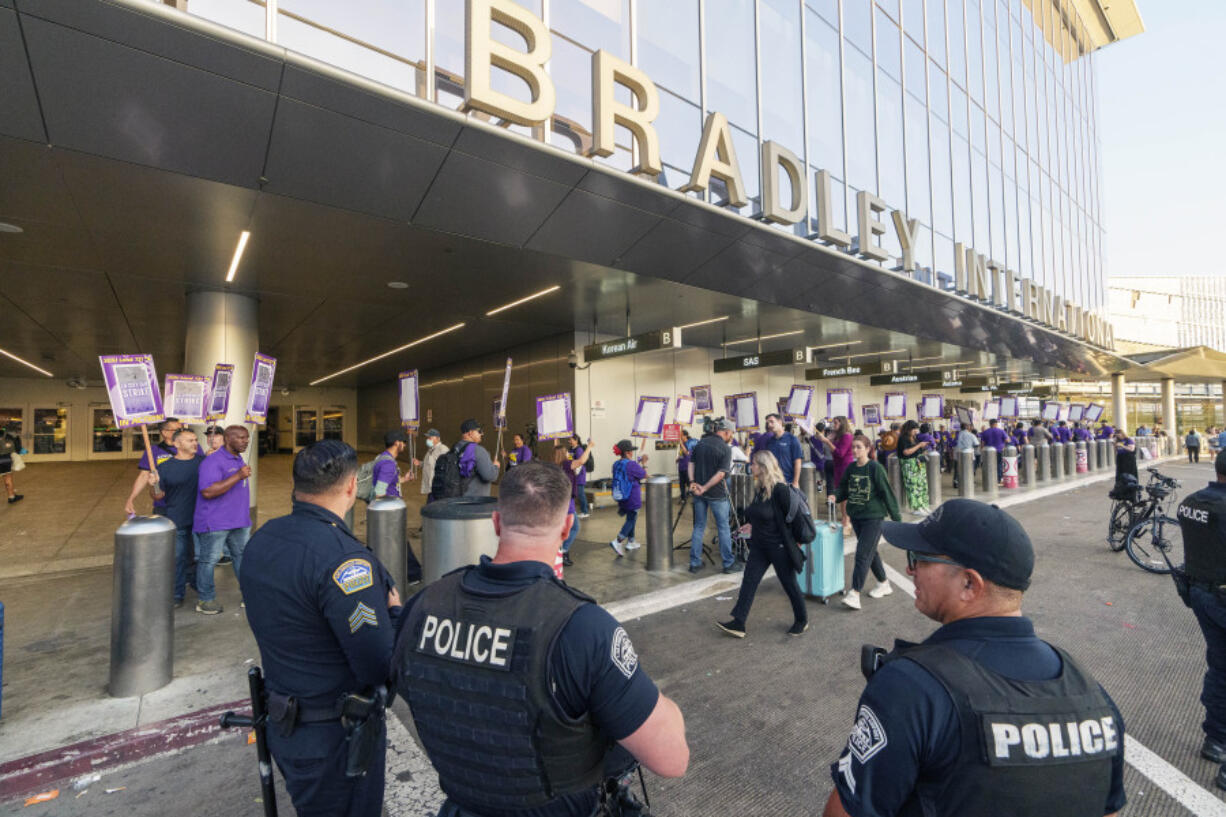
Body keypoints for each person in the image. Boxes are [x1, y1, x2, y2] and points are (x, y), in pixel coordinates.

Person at [392, 462, 689, 816]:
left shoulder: (423, 606)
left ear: (497, 522)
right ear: (566, 527)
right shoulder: (581, 628)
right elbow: (672, 758)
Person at [824, 499, 1126, 817]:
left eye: (919, 559)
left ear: (969, 583)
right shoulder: (1093, 696)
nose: (910, 569)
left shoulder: (910, 690)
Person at [241, 440, 402, 817]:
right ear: (351, 487)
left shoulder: (262, 539)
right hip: (334, 738)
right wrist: (395, 615)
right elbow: (379, 663)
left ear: (295, 486)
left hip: (285, 725)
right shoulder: (345, 561)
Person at [1174, 450, 1226, 785]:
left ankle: (1217, 738)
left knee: (1221, 666)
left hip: (1200, 593)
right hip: (1218, 594)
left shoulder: (1192, 502)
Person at [717, 450, 809, 637]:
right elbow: (764, 514)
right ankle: (739, 623)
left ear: (763, 467)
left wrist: (796, 543)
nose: (751, 467)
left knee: (789, 584)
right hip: (759, 545)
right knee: (749, 582)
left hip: (779, 547)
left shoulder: (781, 490)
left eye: (753, 464)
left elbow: (796, 519)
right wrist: (751, 524)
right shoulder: (761, 489)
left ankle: (802, 619)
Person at [835, 435, 901, 610]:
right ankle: (883, 583)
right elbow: (843, 487)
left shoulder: (875, 468)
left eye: (859, 447)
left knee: (862, 553)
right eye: (853, 447)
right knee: (870, 551)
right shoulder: (850, 468)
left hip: (874, 517)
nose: (855, 450)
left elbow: (887, 493)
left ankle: (854, 593)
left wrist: (897, 519)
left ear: (868, 449)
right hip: (857, 516)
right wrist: (836, 495)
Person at [193, 425, 252, 615]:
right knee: (208, 561)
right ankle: (206, 600)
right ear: (227, 439)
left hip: (239, 520)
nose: (246, 441)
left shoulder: (238, 458)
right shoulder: (213, 461)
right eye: (241, 438)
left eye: (247, 437)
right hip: (216, 521)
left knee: (242, 558)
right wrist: (238, 475)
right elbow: (208, 491)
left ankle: (249, 595)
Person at [147, 428, 205, 608]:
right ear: (177, 444)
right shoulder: (164, 468)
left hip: (201, 519)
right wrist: (153, 485)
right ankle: (176, 594)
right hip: (177, 519)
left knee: (201, 557)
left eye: (195, 440)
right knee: (178, 558)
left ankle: (201, 587)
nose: (195, 443)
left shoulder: (204, 463)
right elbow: (158, 496)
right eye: (190, 440)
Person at [688, 418, 737, 574]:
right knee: (723, 527)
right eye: (732, 434)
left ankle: (694, 563)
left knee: (699, 526)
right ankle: (728, 564)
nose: (732, 437)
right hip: (716, 494)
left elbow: (691, 464)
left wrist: (693, 483)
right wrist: (705, 487)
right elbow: (721, 473)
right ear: (727, 432)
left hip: (698, 494)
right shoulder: (725, 448)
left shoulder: (700, 444)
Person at [123, 417, 181, 516]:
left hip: (188, 503)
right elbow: (143, 476)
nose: (181, 432)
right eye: (177, 430)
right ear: (165, 432)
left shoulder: (192, 447)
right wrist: (131, 498)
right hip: (163, 504)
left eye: (182, 429)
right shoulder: (153, 451)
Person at [609, 439, 648, 556]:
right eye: (631, 451)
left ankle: (631, 541)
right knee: (631, 519)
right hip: (632, 496)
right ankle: (618, 541)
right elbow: (643, 475)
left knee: (631, 518)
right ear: (626, 452)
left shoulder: (616, 464)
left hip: (622, 496)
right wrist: (644, 463)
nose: (632, 453)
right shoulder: (631, 464)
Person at [816, 417, 855, 531]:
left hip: (845, 467)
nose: (833, 425)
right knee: (842, 496)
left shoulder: (847, 436)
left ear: (842, 424)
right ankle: (844, 519)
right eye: (833, 423)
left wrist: (828, 441)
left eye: (836, 423)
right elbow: (828, 450)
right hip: (837, 467)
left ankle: (846, 521)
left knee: (845, 496)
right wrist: (828, 439)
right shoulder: (838, 436)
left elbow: (840, 453)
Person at [551, 445, 581, 567]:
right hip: (566, 502)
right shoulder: (567, 464)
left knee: (561, 528)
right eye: (566, 451)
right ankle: (563, 552)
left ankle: (558, 552)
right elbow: (582, 461)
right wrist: (589, 447)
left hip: (558, 501)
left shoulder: (555, 466)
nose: (568, 452)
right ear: (563, 453)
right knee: (574, 527)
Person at [457, 419, 501, 497]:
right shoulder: (478, 450)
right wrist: (496, 466)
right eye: (479, 431)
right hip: (475, 502)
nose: (482, 434)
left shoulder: (455, 448)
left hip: (456, 498)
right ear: (470, 433)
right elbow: (490, 476)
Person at [760, 413, 804, 487]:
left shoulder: (792, 439)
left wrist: (795, 482)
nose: (769, 425)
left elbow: (797, 462)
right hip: (773, 483)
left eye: (771, 422)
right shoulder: (769, 442)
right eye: (768, 423)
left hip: (788, 482)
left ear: (780, 422)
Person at [896, 421, 930, 515]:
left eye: (916, 429)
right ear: (908, 429)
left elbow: (915, 449)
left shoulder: (914, 438)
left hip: (917, 463)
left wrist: (923, 447)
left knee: (921, 485)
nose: (916, 431)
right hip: (909, 465)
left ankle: (923, 505)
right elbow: (906, 452)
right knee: (912, 486)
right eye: (914, 429)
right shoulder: (903, 438)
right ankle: (916, 508)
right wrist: (919, 445)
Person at [372, 430, 412, 500]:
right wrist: (391, 506)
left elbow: (388, 480)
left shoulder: (381, 456)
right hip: (388, 508)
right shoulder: (388, 464)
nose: (405, 445)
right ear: (396, 443)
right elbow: (379, 493)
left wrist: (404, 479)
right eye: (403, 442)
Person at [413, 428, 447, 503]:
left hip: (438, 487)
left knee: (434, 508)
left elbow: (447, 467)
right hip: (431, 486)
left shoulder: (443, 449)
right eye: (428, 438)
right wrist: (420, 463)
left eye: (430, 437)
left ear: (438, 438)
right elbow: (430, 463)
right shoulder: (431, 449)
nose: (428, 440)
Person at [567, 434, 593, 518]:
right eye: (569, 440)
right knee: (576, 494)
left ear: (576, 440)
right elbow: (570, 460)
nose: (569, 441)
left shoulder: (579, 450)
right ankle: (579, 510)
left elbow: (580, 462)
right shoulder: (571, 449)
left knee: (581, 494)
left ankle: (585, 511)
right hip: (573, 475)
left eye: (571, 440)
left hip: (579, 475)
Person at [979, 418, 1009, 483]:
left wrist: (982, 451)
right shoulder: (1001, 431)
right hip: (999, 450)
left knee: (989, 464)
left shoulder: (985, 432)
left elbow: (982, 444)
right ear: (996, 424)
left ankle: (989, 478)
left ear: (990, 424)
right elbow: (1007, 440)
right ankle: (998, 478)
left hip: (988, 452)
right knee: (999, 464)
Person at [952, 423, 980, 490]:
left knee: (957, 469)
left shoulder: (957, 435)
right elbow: (977, 444)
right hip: (969, 454)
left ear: (961, 428)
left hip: (958, 454)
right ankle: (969, 482)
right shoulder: (971, 435)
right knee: (970, 469)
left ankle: (956, 482)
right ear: (967, 427)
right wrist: (970, 446)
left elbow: (952, 444)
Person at [0, 425, 23, 504]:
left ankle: (12, 494)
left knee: (5, 477)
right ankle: (11, 497)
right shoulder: (5, 434)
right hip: (5, 458)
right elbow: (17, 446)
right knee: (8, 478)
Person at [676, 428, 696, 494]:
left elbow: (687, 453)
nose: (679, 437)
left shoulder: (690, 443)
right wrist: (678, 458)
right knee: (681, 485)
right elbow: (682, 454)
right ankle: (683, 499)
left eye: (681, 435)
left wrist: (681, 443)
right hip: (681, 467)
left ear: (685, 436)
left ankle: (694, 498)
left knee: (690, 484)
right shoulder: (682, 445)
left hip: (688, 468)